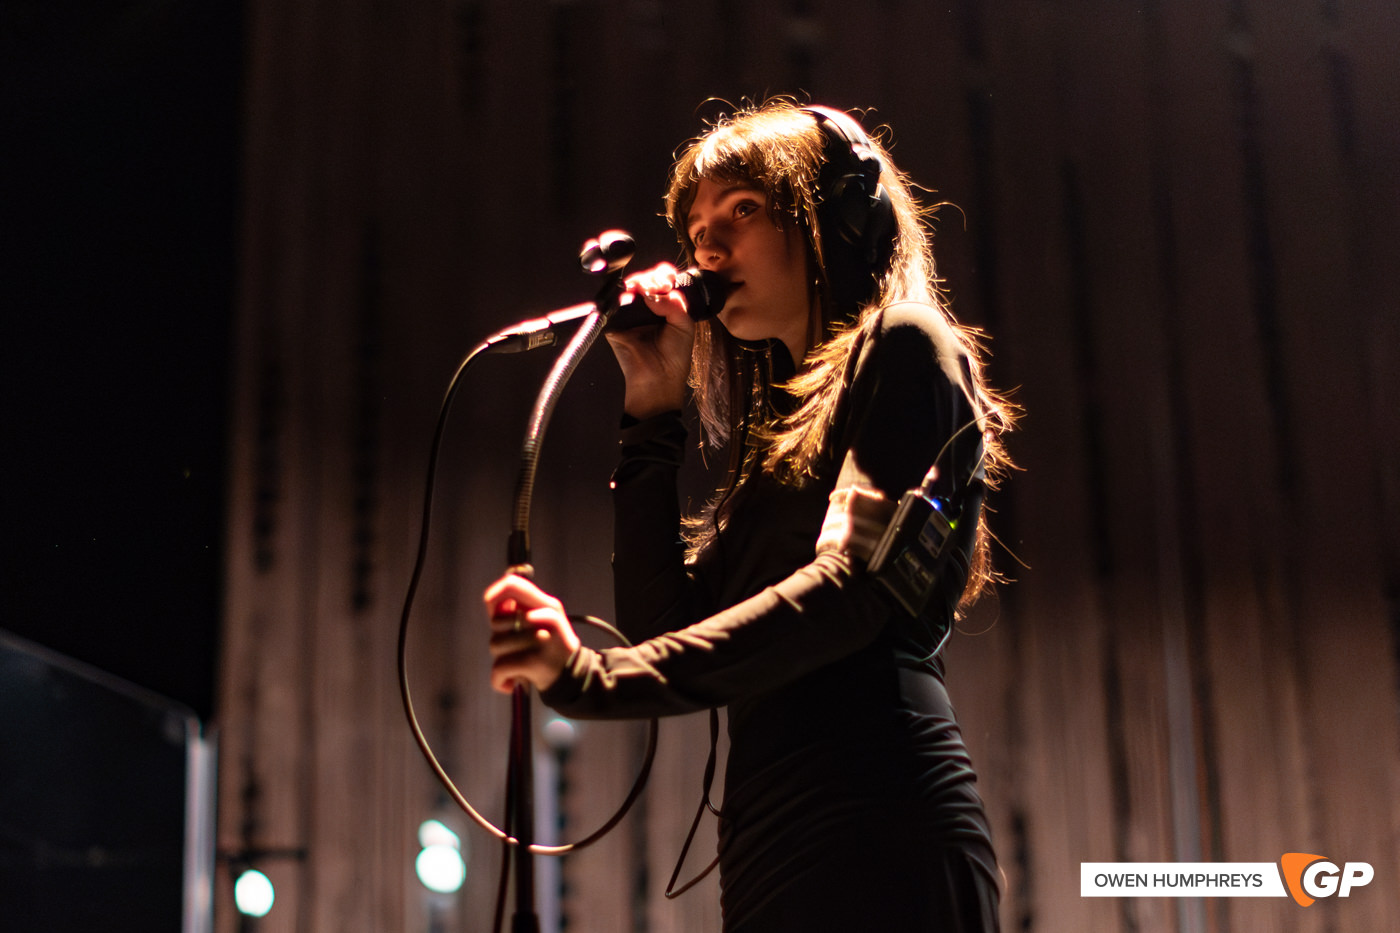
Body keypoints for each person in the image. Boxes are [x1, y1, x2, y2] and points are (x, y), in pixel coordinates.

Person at [484, 100, 1017, 931]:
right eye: (696, 226)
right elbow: (664, 620)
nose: (707, 245)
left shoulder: (909, 345)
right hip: (771, 852)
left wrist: (595, 679)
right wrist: (652, 410)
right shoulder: (775, 448)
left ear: (838, 219)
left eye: (742, 211)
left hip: (881, 829)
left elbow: (848, 588)